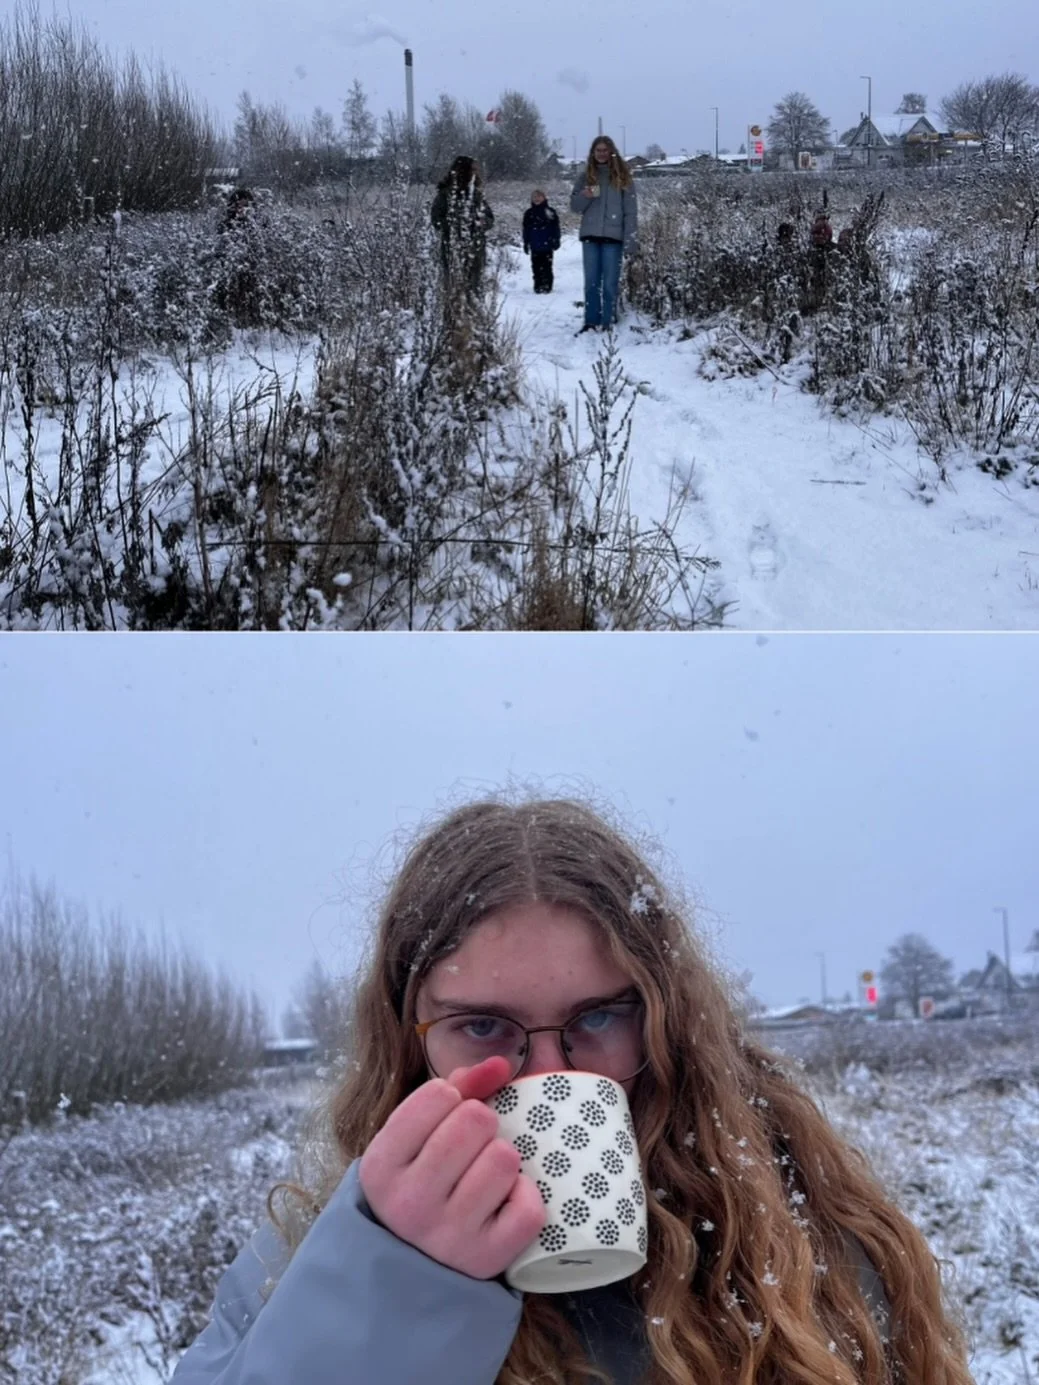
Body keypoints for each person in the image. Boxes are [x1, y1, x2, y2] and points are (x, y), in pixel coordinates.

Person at [171, 795, 973, 1385]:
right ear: (406, 1038)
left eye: (597, 1017)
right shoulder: (310, 1260)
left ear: (666, 1020)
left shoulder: (801, 1235)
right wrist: (393, 1287)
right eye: (482, 1027)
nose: (550, 1076)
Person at [570, 136, 638, 333]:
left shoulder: (623, 178)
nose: (601, 154)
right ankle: (590, 321)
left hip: (613, 239)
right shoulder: (586, 177)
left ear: (611, 152)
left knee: (609, 283)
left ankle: (608, 321)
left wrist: (630, 240)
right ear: (593, 153)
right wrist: (585, 196)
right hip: (590, 237)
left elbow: (630, 211)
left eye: (604, 150)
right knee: (591, 282)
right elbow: (575, 207)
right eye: (598, 150)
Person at [431, 156, 495, 298]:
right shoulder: (445, 195)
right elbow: (436, 220)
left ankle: (473, 318)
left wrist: (481, 223)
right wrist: (458, 224)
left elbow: (490, 218)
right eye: (473, 169)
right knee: (453, 292)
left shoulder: (476, 195)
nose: (476, 173)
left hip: (476, 251)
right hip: (452, 250)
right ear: (464, 171)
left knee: (474, 293)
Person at [522, 190, 562, 294]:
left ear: (544, 198)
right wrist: (526, 242)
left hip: (547, 245)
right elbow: (526, 229)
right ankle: (538, 286)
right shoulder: (529, 213)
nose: (536, 198)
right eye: (534, 197)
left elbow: (555, 227)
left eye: (539, 196)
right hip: (535, 245)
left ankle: (547, 286)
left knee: (547, 267)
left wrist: (556, 239)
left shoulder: (549, 211)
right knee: (536, 267)